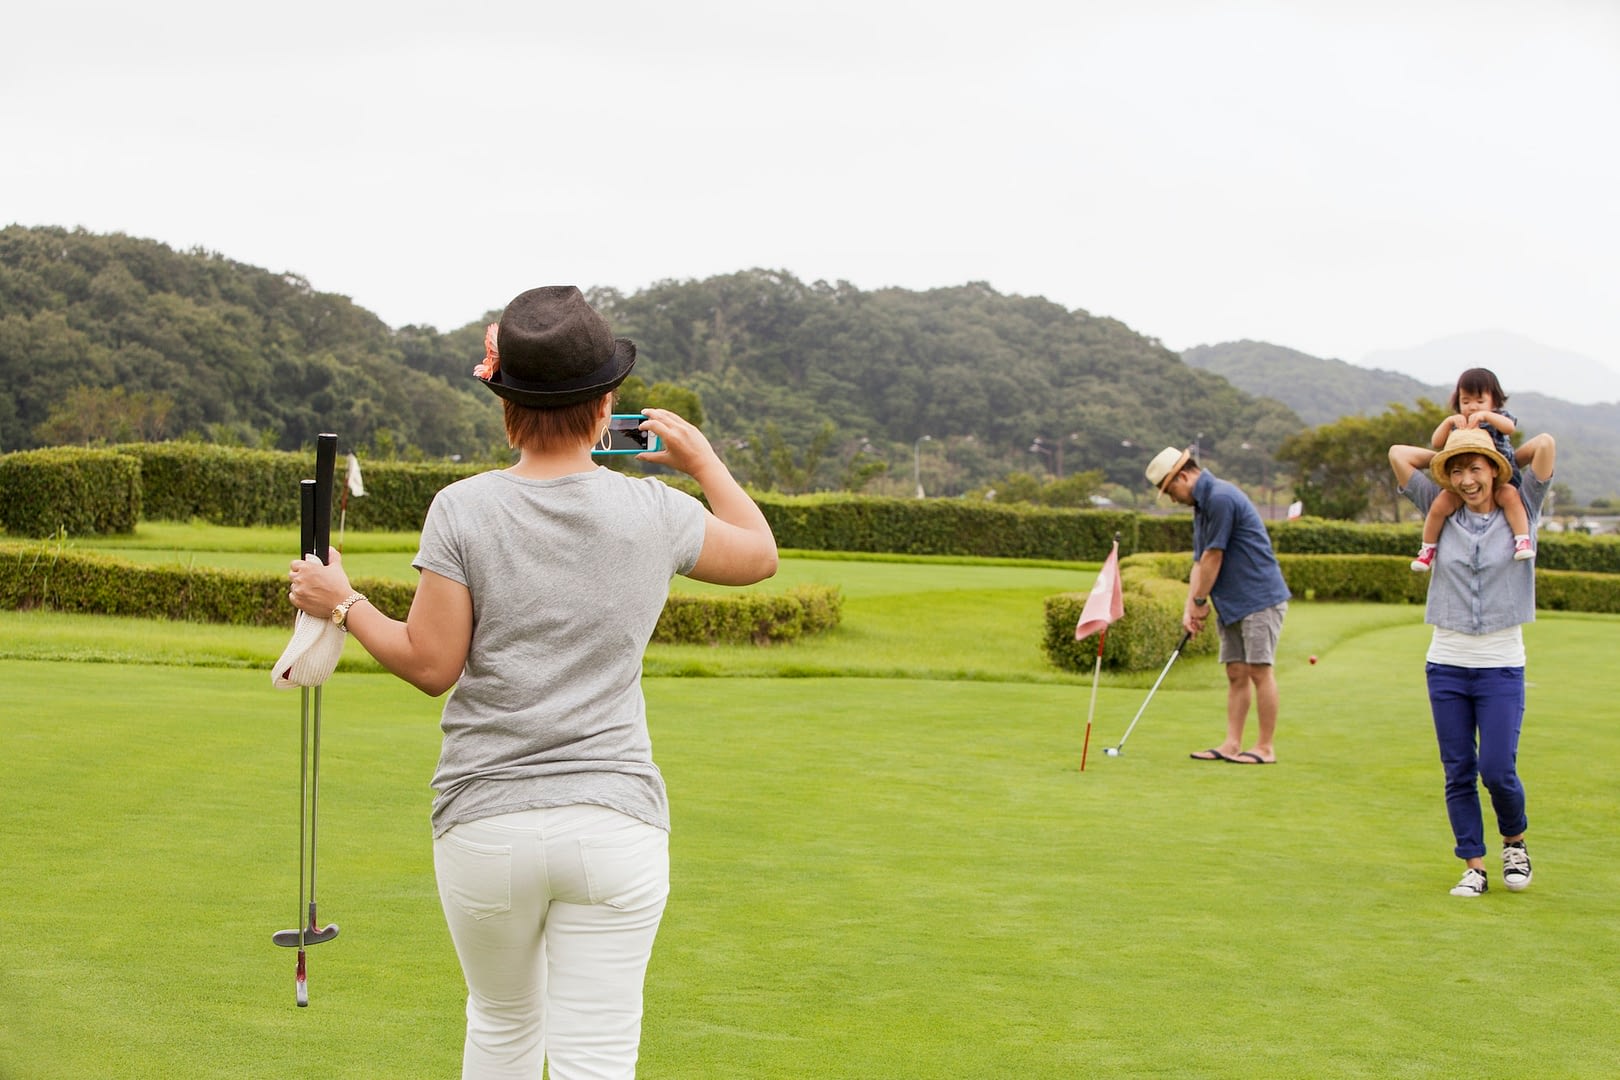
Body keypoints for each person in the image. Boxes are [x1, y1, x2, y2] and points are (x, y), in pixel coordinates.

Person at [287, 285, 778, 1078]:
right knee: (598, 1057)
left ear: (502, 397)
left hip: (487, 822)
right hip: (615, 823)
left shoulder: (462, 508)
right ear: (606, 403)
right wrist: (699, 459)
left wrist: (342, 603)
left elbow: (429, 666)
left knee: (503, 1027)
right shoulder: (654, 508)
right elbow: (759, 553)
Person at [1389, 426, 1554, 897]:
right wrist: (1453, 447)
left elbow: (1544, 445)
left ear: (1494, 471)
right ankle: (1474, 865)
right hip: (1446, 664)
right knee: (1458, 769)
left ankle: (1515, 843)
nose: (1465, 479)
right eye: (1456, 470)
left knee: (1498, 769)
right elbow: (1398, 453)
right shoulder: (1439, 509)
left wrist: (1493, 440)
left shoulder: (1522, 505)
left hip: (1501, 665)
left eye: (1475, 468)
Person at [1144, 446, 1291, 765]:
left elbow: (1215, 556)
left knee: (1258, 671)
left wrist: (1200, 601)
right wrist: (1190, 607)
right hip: (1232, 601)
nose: (1172, 498)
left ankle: (1265, 747)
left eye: (1170, 490)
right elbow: (1199, 561)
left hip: (1259, 597)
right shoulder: (1202, 505)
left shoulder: (1221, 497)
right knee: (1236, 672)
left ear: (1184, 476)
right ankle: (1231, 744)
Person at [1412, 367, 1535, 571]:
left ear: (1494, 401)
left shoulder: (1497, 416)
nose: (1472, 407)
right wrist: (1449, 421)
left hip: (1501, 478)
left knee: (1511, 496)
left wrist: (1487, 416)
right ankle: (1427, 550)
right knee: (1440, 505)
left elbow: (1509, 427)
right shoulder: (1459, 423)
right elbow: (1436, 442)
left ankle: (1522, 539)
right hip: (1467, 481)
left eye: (1480, 401)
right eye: (1466, 401)